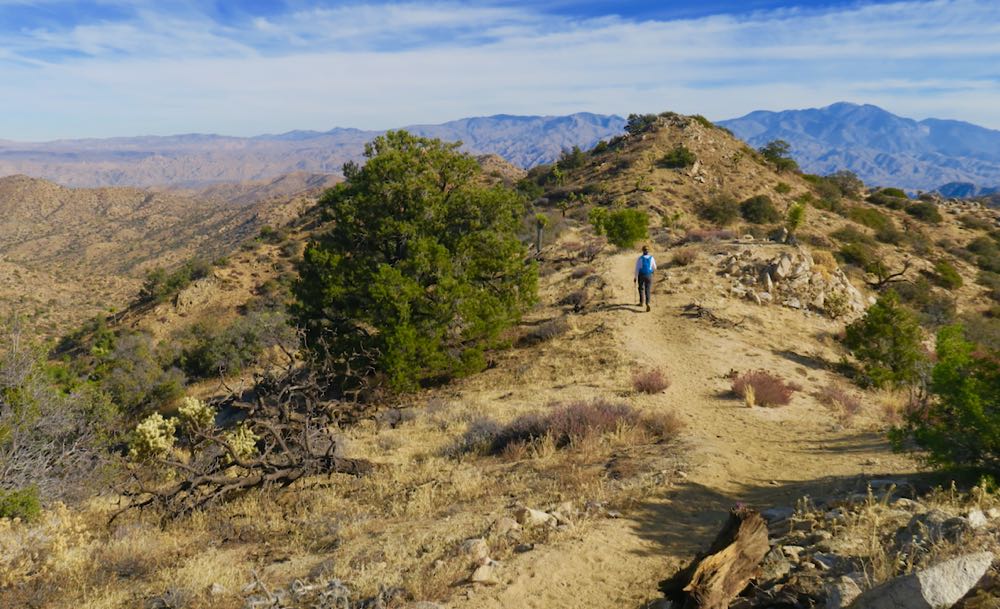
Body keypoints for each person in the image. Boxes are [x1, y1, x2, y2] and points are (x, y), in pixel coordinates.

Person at [634, 245, 657, 311]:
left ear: (642, 251)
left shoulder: (640, 258)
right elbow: (654, 267)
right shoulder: (651, 258)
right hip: (649, 275)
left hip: (641, 275)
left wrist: (635, 277)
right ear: (648, 250)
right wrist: (652, 271)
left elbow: (637, 269)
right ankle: (648, 303)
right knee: (648, 289)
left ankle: (641, 302)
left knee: (641, 288)